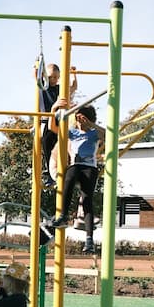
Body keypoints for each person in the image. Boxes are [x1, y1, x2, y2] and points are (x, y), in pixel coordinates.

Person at [48, 102, 104, 254]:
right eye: (78, 119)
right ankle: (63, 215)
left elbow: (109, 135)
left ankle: (89, 239)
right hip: (76, 164)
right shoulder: (72, 132)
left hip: (89, 167)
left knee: (87, 200)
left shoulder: (93, 133)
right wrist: (54, 110)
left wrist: (91, 124)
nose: (79, 122)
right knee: (69, 178)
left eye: (82, 119)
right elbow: (53, 128)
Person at [37, 63, 77, 189]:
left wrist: (74, 74)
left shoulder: (61, 88)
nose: (53, 80)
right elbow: (36, 78)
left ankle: (65, 172)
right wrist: (38, 66)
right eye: (50, 77)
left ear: (59, 77)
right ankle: (50, 174)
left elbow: (73, 87)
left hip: (59, 121)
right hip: (46, 121)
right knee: (47, 144)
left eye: (55, 77)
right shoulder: (43, 87)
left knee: (62, 147)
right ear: (44, 77)